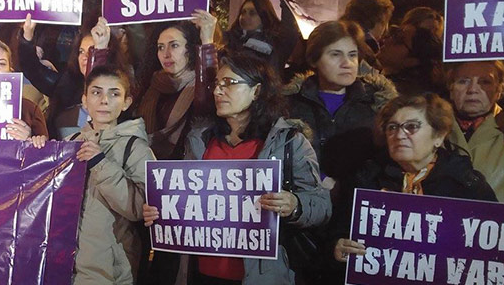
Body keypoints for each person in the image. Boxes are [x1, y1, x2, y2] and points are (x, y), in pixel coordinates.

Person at [143, 52, 330, 285]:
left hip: (258, 276)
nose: (217, 91)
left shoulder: (289, 142)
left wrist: (294, 205)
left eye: (229, 83)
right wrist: (160, 209)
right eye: (216, 84)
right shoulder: (200, 139)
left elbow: (321, 205)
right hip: (200, 275)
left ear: (256, 91)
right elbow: (182, 199)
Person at [331, 93, 504, 283]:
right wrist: (337, 247)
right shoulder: (367, 180)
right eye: (392, 127)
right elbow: (338, 235)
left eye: (412, 126)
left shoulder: (465, 184)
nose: (399, 135)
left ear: (438, 136)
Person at [443, 54, 504, 253]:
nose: (473, 89)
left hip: (499, 246)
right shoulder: (427, 127)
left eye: (485, 82)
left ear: (500, 89)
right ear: (450, 88)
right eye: (463, 81)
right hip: (443, 242)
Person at [67, 65, 152, 284]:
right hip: (65, 268)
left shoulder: (136, 148)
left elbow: (138, 207)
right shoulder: (70, 143)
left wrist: (100, 163)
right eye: (96, 92)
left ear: (126, 102)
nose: (104, 100)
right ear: (84, 100)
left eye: (114, 94)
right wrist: (31, 144)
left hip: (109, 271)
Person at [283, 20, 397, 183]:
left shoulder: (379, 104)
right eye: (335, 55)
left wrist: (345, 185)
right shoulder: (288, 105)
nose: (347, 63)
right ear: (314, 60)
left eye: (352, 55)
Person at [19, 15, 114, 139]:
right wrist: (27, 36)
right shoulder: (65, 85)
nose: (85, 57)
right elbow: (32, 69)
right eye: (81, 51)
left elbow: (99, 82)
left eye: (92, 51)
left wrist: (100, 52)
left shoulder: (117, 90)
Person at [136, 20, 215, 160]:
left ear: (191, 49)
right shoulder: (151, 84)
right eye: (161, 47)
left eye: (174, 45)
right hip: (144, 164)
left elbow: (205, 104)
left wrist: (207, 42)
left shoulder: (200, 87)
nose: (166, 54)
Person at [219, 0, 300, 75]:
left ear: (264, 16)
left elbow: (289, 14)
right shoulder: (230, 41)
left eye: (252, 13)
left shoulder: (278, 42)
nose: (244, 17)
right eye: (243, 12)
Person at [378, 7, 445, 95]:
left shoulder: (399, 96)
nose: (387, 41)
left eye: (399, 40)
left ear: (412, 61)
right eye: (395, 34)